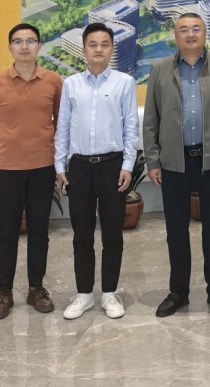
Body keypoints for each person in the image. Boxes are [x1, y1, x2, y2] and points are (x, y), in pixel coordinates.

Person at [142, 12, 210, 318]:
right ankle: (178, 292)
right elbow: (151, 120)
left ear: (205, 33)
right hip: (174, 162)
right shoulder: (160, 70)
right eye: (184, 29)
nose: (190, 34)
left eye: (196, 28)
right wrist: (153, 160)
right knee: (176, 231)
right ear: (175, 36)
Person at [55, 22, 139, 320]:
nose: (99, 49)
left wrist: (128, 165)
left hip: (112, 165)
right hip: (79, 167)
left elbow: (131, 127)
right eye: (93, 44)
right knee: (82, 234)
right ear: (84, 49)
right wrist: (60, 166)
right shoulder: (71, 84)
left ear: (112, 49)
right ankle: (84, 294)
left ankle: (109, 293)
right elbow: (62, 128)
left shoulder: (124, 82)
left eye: (105, 44)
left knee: (113, 233)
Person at [0, 23, 62, 320]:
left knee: (39, 232)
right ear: (10, 47)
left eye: (30, 41)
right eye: (18, 41)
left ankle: (36, 288)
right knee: (7, 233)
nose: (24, 46)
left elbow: (61, 121)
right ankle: (4, 292)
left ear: (39, 46)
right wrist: (9, 140)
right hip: (8, 168)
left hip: (43, 167)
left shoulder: (53, 81)